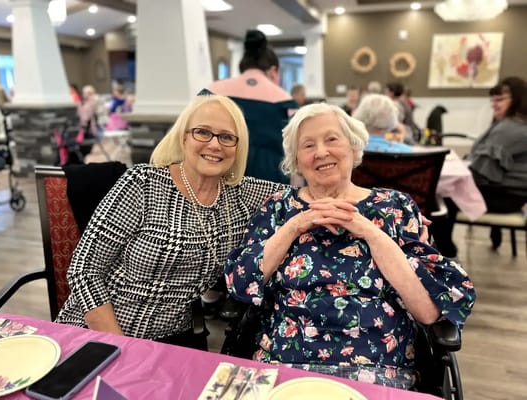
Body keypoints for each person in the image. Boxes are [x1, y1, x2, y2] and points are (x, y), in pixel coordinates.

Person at [225, 103, 475, 388]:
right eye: (308, 145)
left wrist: (370, 231)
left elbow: (427, 312)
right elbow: (240, 285)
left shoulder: (394, 206)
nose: (321, 152)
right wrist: (296, 225)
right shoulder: (279, 208)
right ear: (295, 160)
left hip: (377, 367)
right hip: (284, 361)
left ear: (354, 147)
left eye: (332, 139)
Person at [55, 94, 284, 350]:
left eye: (227, 137)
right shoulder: (143, 183)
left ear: (238, 146)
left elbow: (303, 196)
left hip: (172, 341)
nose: (215, 144)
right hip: (99, 331)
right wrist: (121, 347)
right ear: (184, 136)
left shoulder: (240, 194)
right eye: (202, 132)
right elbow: (85, 271)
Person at [432, 76, 527, 256]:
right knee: (445, 191)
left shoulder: (510, 128)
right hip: (510, 192)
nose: (494, 104)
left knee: (439, 196)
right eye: (493, 99)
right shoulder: (511, 124)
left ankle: (444, 252)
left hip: (507, 195)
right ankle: (444, 248)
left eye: (500, 99)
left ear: (517, 99)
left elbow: (481, 173)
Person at [207, 29, 297, 184]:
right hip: (269, 182)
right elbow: (296, 150)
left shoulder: (212, 91)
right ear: (273, 70)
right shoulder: (286, 101)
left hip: (221, 173)